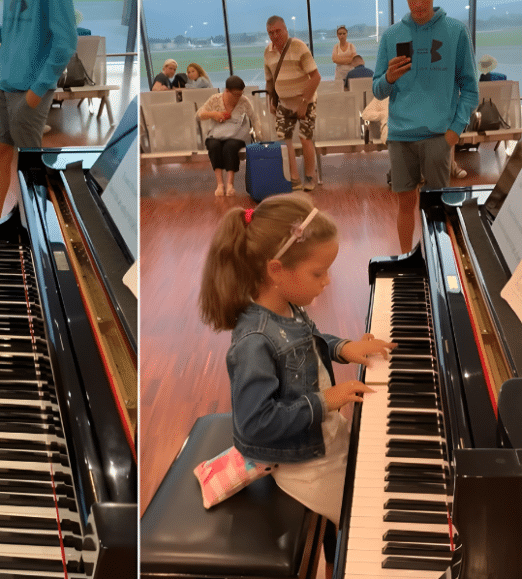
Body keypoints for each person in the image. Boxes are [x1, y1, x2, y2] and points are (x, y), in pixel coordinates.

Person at [198, 193, 393, 577]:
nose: (327, 282)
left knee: (376, 458)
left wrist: (344, 348)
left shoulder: (285, 306)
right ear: (276, 270)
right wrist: (326, 401)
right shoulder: (254, 341)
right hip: (299, 463)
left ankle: (337, 553)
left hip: (321, 438)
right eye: (318, 273)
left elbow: (311, 341)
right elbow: (255, 424)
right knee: (373, 511)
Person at [372, 0, 478, 253]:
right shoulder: (391, 36)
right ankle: (408, 259)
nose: (418, 3)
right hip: (400, 135)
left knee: (439, 205)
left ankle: (441, 258)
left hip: (437, 136)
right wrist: (388, 78)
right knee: (405, 203)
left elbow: (471, 91)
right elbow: (377, 89)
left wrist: (454, 132)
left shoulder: (455, 31)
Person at [0, 0, 77, 220]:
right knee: (0, 153)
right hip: (5, 84)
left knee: (29, 165)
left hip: (30, 89)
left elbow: (66, 43)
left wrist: (37, 90)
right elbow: (13, 38)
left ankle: (33, 224)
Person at [264, 15, 321, 192]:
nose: (274, 35)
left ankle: (310, 176)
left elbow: (316, 77)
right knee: (285, 141)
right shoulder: (268, 52)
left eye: (278, 31)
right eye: (271, 32)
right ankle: (294, 178)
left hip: (307, 101)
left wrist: (304, 102)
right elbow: (269, 81)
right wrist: (271, 101)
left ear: (286, 29)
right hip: (284, 103)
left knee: (305, 139)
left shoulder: (298, 46)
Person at [196, 75, 262, 196]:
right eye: (235, 94)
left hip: (237, 135)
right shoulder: (215, 99)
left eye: (240, 94)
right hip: (216, 134)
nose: (238, 97)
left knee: (230, 147)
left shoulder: (244, 101)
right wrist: (214, 114)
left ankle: (230, 184)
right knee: (214, 146)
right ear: (227, 91)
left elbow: (254, 118)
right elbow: (199, 114)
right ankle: (220, 184)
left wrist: (260, 135)